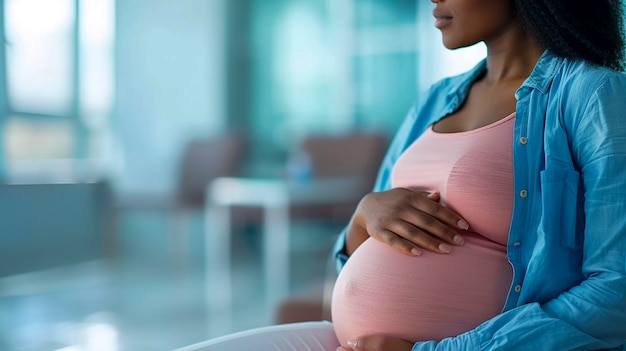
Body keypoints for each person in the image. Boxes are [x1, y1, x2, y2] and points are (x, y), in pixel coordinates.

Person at [178, 0, 626, 350]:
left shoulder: (591, 94)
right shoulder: (435, 100)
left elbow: (615, 290)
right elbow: (360, 249)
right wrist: (363, 215)